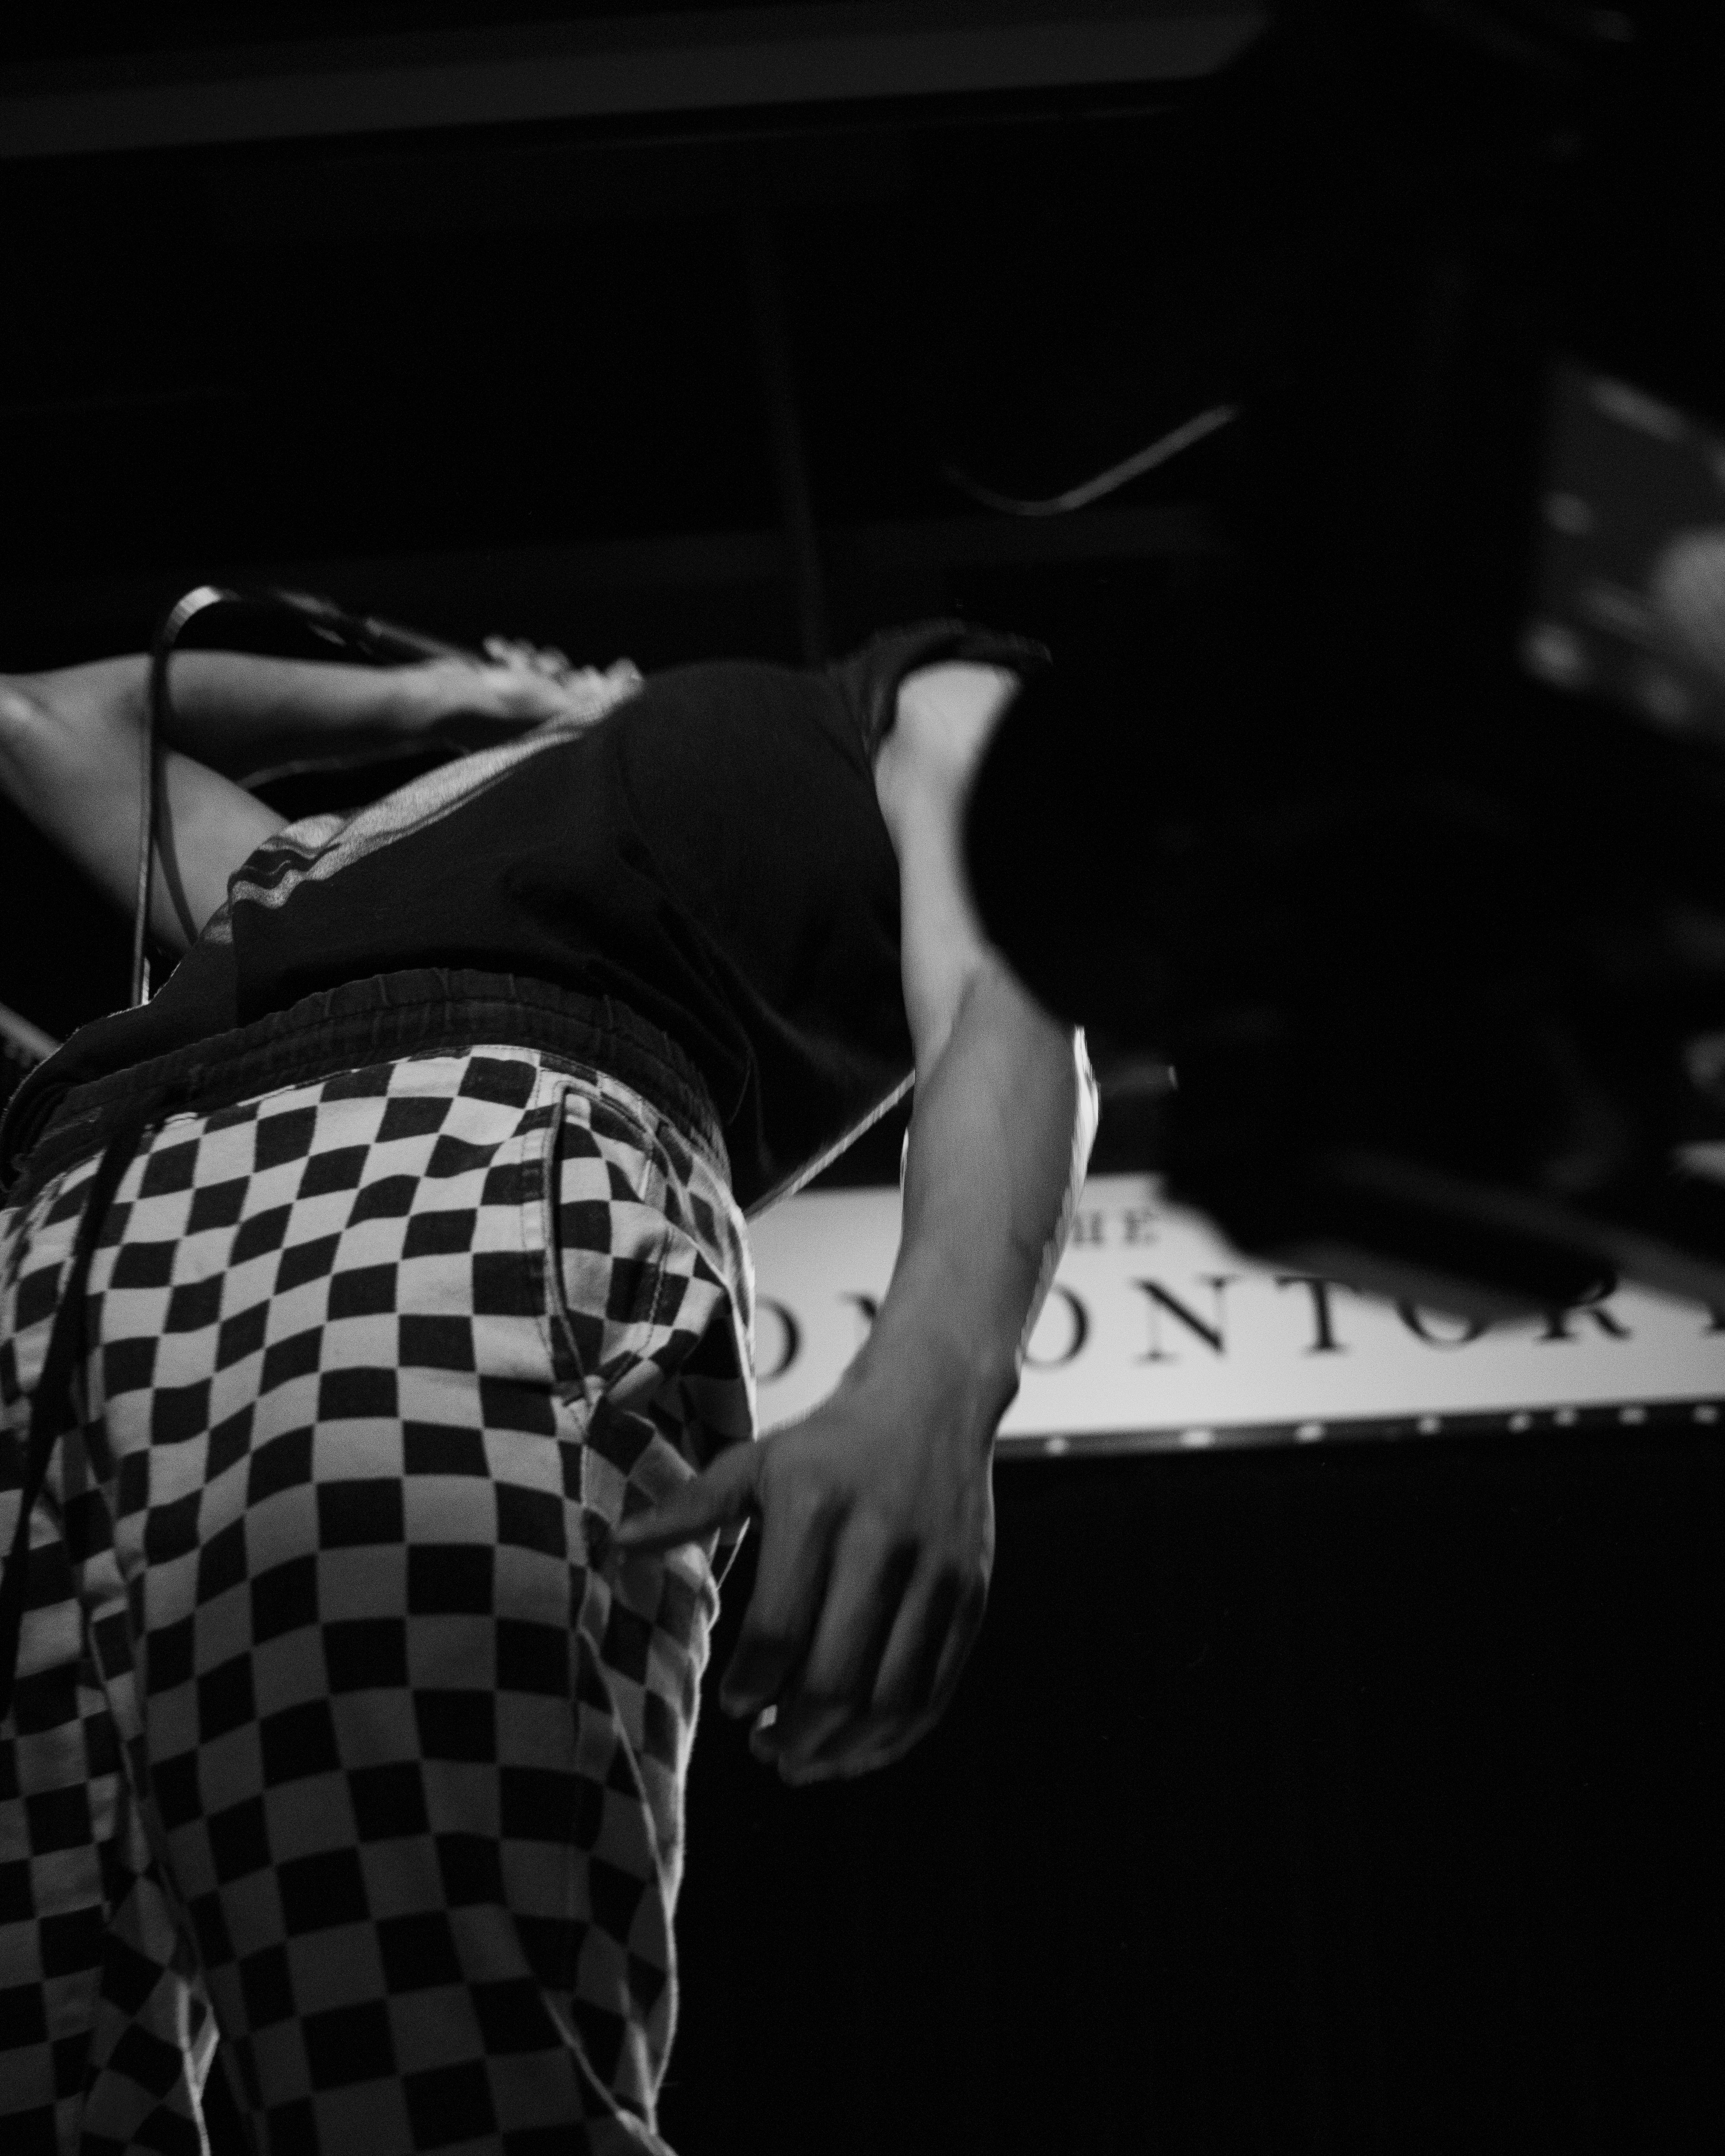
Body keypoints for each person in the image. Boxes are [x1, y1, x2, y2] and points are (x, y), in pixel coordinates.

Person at [0, 615, 1097, 2154]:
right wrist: (457, 690)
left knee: (432, 2065)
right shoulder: (325, 868)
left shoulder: (890, 694)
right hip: (66, 1230)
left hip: (432, 1159)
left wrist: (934, 1377)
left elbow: (1010, 975)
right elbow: (47, 719)